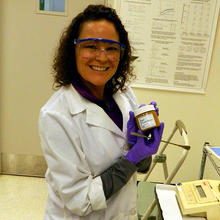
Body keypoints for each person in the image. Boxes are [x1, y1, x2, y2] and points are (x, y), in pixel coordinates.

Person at [38, 4, 164, 220]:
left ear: (121, 53)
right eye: (91, 46)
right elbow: (81, 200)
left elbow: (139, 167)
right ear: (73, 50)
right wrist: (131, 159)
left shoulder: (124, 94)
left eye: (112, 48)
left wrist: (142, 151)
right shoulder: (56, 115)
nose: (102, 57)